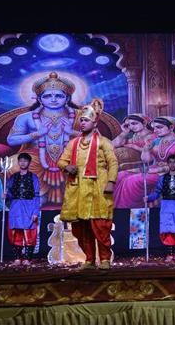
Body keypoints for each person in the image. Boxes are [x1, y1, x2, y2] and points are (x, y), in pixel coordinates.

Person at [58, 98, 118, 270]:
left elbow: (113, 163)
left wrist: (111, 182)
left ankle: (105, 260)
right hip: (78, 190)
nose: (82, 123)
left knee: (100, 226)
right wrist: (67, 167)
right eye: (81, 120)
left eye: (86, 120)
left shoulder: (103, 142)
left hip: (98, 188)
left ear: (95, 122)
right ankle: (89, 260)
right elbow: (61, 161)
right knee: (81, 228)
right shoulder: (73, 143)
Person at [7, 72, 79, 206]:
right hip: (36, 156)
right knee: (14, 165)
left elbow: (96, 139)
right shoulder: (26, 117)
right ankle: (37, 194)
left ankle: (75, 195)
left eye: (59, 96)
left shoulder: (79, 116)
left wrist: (72, 132)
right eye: (47, 96)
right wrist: (36, 134)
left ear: (67, 98)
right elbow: (11, 140)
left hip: (70, 155)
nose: (53, 99)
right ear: (40, 99)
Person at [113, 116, 175, 209]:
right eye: (154, 128)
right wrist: (146, 150)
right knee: (120, 175)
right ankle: (117, 208)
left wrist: (162, 169)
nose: (155, 131)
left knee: (132, 180)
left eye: (159, 127)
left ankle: (131, 209)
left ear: (171, 127)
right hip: (156, 169)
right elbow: (147, 160)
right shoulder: (157, 141)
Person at [144, 154, 175, 263]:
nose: (172, 164)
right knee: (168, 230)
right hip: (166, 206)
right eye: (170, 162)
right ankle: (170, 254)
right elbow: (157, 192)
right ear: (167, 164)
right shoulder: (162, 178)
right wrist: (148, 198)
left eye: (174, 162)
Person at [3, 153, 41, 266]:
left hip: (29, 207)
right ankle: (17, 258)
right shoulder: (13, 177)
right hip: (15, 207)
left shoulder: (33, 177)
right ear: (18, 162)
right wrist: (6, 196)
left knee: (29, 233)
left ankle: (27, 259)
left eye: (25, 161)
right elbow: (10, 194)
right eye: (21, 161)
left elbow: (37, 195)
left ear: (29, 163)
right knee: (15, 233)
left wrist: (35, 212)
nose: (23, 163)